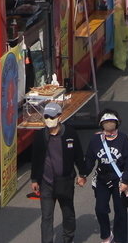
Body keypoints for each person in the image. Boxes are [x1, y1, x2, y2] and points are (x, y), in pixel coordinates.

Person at [31, 102, 87, 243]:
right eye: (46, 116)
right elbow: (36, 158)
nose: (49, 119)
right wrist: (34, 180)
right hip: (46, 183)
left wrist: (82, 174)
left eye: (52, 116)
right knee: (46, 216)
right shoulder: (40, 135)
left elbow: (78, 155)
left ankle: (68, 238)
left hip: (65, 182)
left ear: (60, 117)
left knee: (68, 213)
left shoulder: (70, 133)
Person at [87, 110, 128, 243]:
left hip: (119, 180)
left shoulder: (123, 138)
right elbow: (90, 159)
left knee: (120, 212)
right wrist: (83, 173)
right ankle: (106, 235)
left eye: (111, 121)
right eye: (106, 122)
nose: (109, 124)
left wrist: (125, 180)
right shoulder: (96, 140)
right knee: (100, 209)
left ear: (117, 122)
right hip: (102, 179)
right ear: (101, 123)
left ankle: (120, 239)